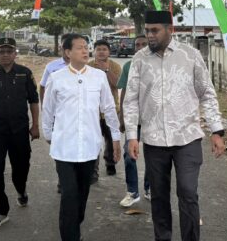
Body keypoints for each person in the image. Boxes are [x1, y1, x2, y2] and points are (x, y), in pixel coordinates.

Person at [124, 11, 226, 241]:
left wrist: (216, 131)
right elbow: (131, 99)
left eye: (155, 30)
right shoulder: (140, 59)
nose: (149, 35)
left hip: (187, 138)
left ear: (170, 29)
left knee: (188, 192)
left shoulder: (190, 55)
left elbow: (207, 94)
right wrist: (132, 135)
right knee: (159, 196)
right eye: (147, 30)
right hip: (153, 140)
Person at [42, 34, 122, 241]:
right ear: (67, 52)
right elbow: (48, 110)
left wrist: (115, 138)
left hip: (89, 147)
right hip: (64, 149)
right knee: (69, 195)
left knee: (82, 195)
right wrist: (49, 135)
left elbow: (109, 108)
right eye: (79, 48)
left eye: (86, 47)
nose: (85, 51)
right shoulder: (56, 77)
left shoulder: (98, 76)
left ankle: (74, 227)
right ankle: (70, 236)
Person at [0, 37, 40, 229]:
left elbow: (34, 101)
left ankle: (21, 189)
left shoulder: (25, 74)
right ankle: (1, 211)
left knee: (21, 166)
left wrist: (35, 125)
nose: (5, 54)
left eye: (9, 51)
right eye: (1, 51)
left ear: (15, 53)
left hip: (19, 129)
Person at [116, 34, 150, 207]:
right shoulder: (129, 66)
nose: (140, 47)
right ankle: (132, 191)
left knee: (153, 156)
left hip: (152, 120)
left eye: (144, 44)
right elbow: (124, 95)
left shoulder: (158, 65)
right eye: (137, 44)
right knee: (130, 155)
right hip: (133, 119)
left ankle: (149, 188)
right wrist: (122, 118)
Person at [87, 39, 122, 179]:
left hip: (111, 110)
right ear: (94, 51)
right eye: (98, 49)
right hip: (93, 111)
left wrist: (105, 70)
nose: (101, 52)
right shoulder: (88, 66)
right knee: (93, 140)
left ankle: (110, 163)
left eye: (104, 49)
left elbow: (117, 84)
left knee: (110, 139)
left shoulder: (115, 66)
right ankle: (93, 170)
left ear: (109, 51)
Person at [39, 33, 71, 105]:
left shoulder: (82, 66)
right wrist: (43, 106)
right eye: (65, 46)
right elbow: (43, 87)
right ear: (60, 47)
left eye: (70, 46)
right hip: (55, 109)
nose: (67, 49)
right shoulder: (51, 66)